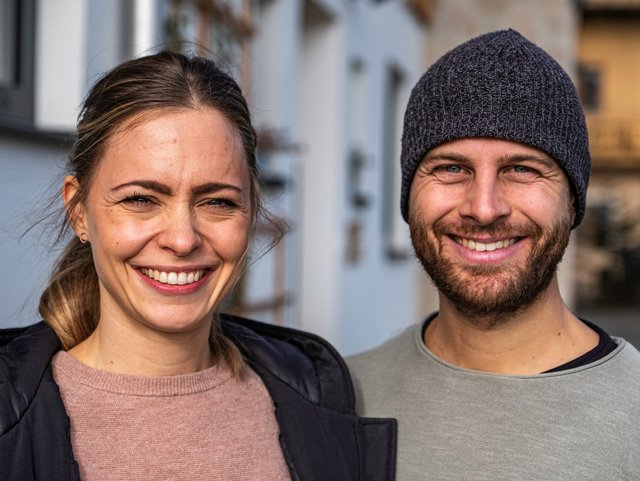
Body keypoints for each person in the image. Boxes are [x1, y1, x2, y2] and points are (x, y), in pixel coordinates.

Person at [0, 51, 396, 481]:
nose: (183, 238)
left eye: (217, 202)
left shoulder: (316, 394)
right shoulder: (10, 419)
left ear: (252, 210)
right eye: (141, 199)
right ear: (78, 210)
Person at [347, 29, 640, 481]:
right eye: (450, 168)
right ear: (408, 196)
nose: (484, 208)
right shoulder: (342, 399)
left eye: (521, 169)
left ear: (572, 199)